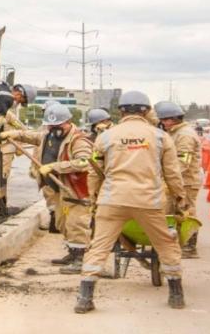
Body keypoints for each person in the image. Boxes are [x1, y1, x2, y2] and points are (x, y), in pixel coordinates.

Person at [75, 90, 189, 314]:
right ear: (147, 111)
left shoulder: (106, 136)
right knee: (166, 245)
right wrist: (180, 198)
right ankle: (176, 294)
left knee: (98, 247)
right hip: (149, 201)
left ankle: (85, 298)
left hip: (112, 200)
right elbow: (172, 173)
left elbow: (94, 171)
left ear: (121, 111)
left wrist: (94, 197)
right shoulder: (160, 136)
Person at [3, 103, 94, 273]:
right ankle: (73, 254)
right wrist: (14, 134)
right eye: (51, 126)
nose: (54, 129)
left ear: (68, 121)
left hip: (75, 190)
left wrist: (55, 167)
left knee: (76, 223)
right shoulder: (49, 136)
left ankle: (81, 259)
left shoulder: (78, 140)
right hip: (58, 190)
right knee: (63, 223)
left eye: (58, 126)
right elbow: (33, 137)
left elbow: (84, 162)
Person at [155, 101, 202, 258]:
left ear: (171, 119)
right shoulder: (175, 132)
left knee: (186, 211)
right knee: (172, 211)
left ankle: (189, 247)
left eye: (163, 120)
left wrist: (165, 176)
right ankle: (176, 244)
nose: (162, 123)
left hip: (186, 181)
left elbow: (183, 162)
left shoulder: (185, 135)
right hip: (177, 179)